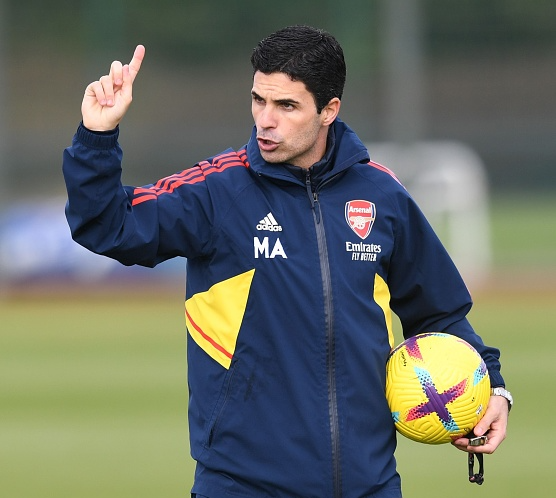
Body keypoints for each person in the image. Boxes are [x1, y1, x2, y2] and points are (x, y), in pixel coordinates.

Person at [63, 25, 511, 498]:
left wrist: (493, 390)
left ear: (329, 110)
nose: (265, 120)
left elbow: (440, 313)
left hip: (368, 483)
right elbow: (106, 224)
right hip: (243, 485)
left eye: (287, 106)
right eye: (259, 100)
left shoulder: (382, 195)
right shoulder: (219, 193)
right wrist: (98, 134)